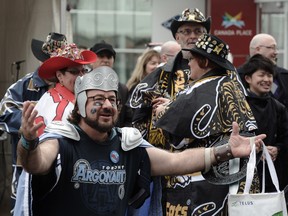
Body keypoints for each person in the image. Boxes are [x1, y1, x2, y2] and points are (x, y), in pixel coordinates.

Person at [16, 66, 265, 216]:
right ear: (80, 107)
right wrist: (28, 141)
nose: (107, 106)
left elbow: (177, 162)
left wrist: (227, 151)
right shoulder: (62, 140)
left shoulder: (127, 144)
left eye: (112, 100)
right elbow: (35, 164)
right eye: (98, 100)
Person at [155, 33, 258, 215]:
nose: (188, 64)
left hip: (206, 184)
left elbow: (177, 138)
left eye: (193, 59)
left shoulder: (198, 90)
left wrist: (162, 111)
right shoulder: (233, 85)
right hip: (241, 181)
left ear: (204, 62)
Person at [127, 8, 211, 215]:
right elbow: (136, 113)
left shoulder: (221, 70)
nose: (192, 36)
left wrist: (173, 107)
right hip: (171, 169)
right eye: (187, 31)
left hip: (212, 165)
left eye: (198, 31)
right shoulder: (161, 74)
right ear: (177, 36)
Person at [0, 32, 67, 213]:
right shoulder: (24, 85)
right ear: (41, 60)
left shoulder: (70, 84)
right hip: (26, 164)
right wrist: (28, 122)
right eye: (48, 60)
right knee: (23, 207)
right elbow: (4, 110)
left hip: (64, 163)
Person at [241, 54, 288, 192]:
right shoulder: (237, 105)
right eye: (262, 75)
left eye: (270, 76)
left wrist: (277, 149)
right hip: (244, 173)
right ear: (248, 78)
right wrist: (255, 149)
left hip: (272, 172)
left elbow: (285, 136)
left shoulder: (278, 107)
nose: (267, 80)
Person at [33, 43, 97, 135]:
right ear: (59, 76)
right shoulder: (65, 110)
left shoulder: (52, 94)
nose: (81, 76)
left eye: (84, 71)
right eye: (74, 72)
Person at [237, 33, 288, 108]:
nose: (276, 52)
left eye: (269, 75)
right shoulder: (237, 77)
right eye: (272, 48)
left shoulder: (284, 75)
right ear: (258, 49)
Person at [90, 40, 130, 127]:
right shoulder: (82, 84)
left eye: (109, 57)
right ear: (91, 61)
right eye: (101, 56)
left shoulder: (122, 89)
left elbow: (128, 118)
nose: (105, 60)